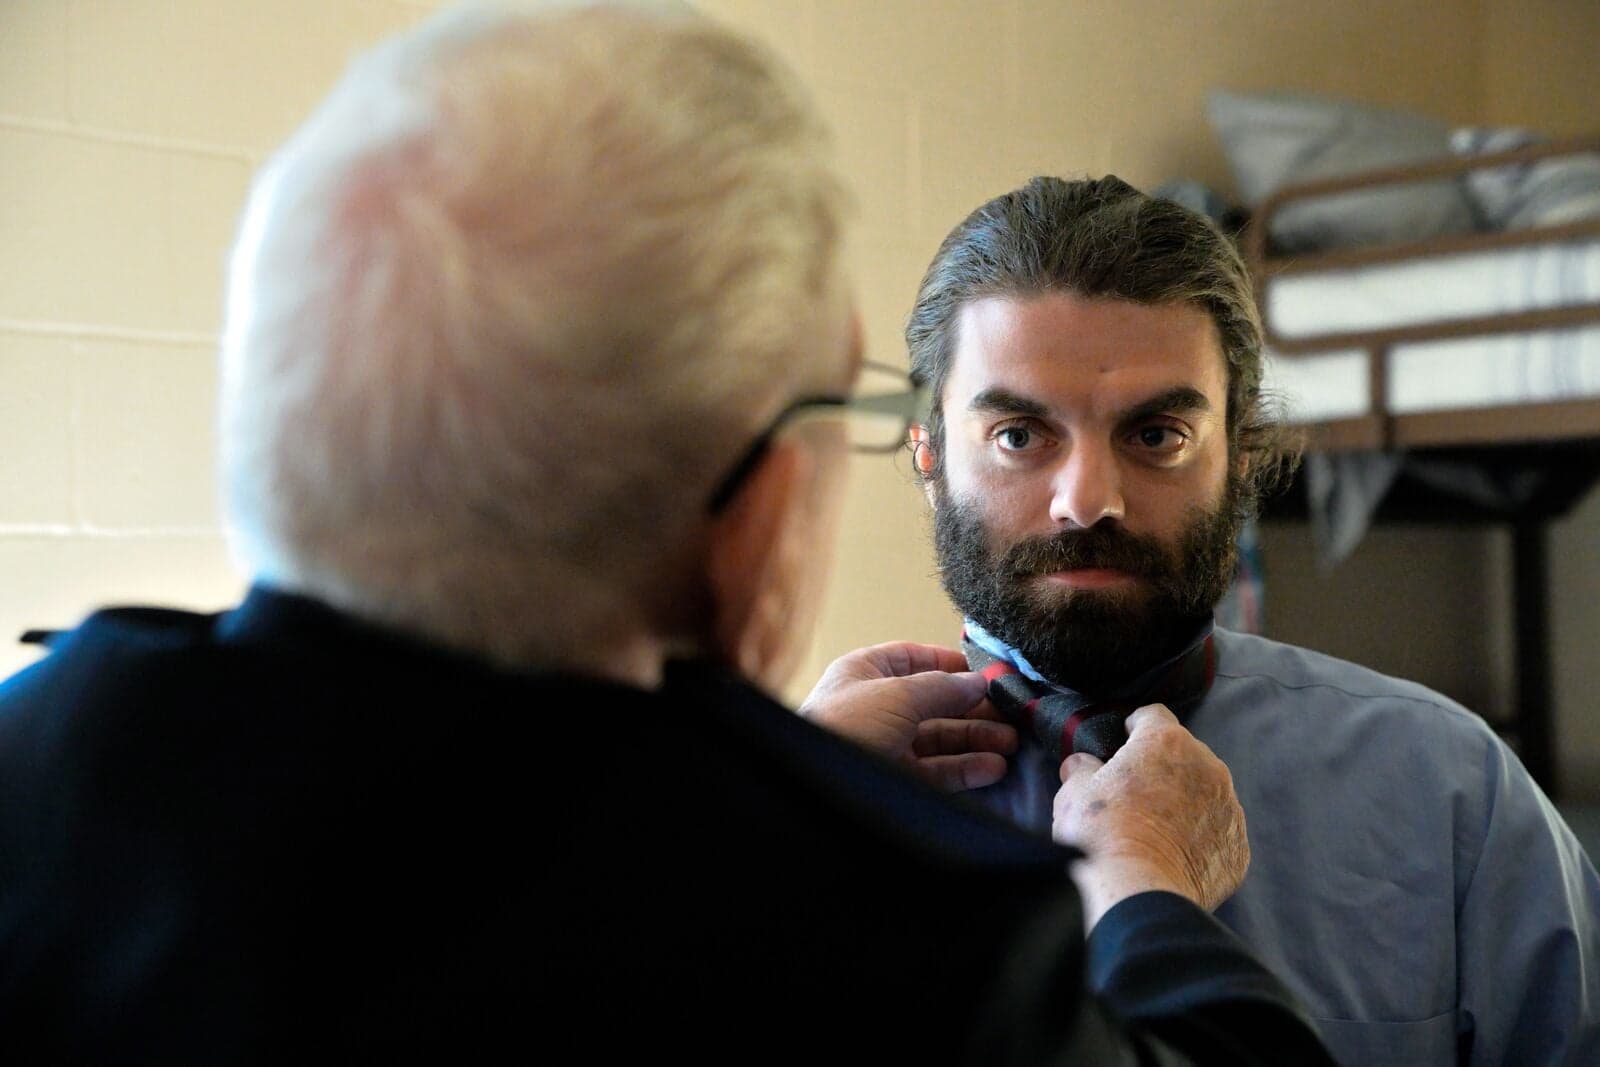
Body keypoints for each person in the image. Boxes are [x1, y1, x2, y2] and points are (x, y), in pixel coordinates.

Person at [0, 4, 1332, 1063]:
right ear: (752, 511)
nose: (1084, 497)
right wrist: (1147, 895)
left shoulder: (42, 758)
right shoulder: (911, 943)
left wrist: (792, 780)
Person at [902, 172, 1600, 1065]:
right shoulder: (814, 807)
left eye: (1156, 435)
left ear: (1241, 459)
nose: (1088, 500)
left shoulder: (1454, 793)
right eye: (1017, 436)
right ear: (930, 459)